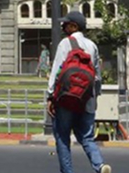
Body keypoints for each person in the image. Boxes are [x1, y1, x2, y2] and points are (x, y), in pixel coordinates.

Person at [46, 11, 111, 173]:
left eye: (66, 24)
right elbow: (96, 77)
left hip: (66, 99)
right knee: (87, 137)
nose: (63, 26)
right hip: (86, 100)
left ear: (74, 26)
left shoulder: (65, 44)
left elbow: (56, 72)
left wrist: (50, 96)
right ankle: (99, 165)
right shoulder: (92, 46)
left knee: (62, 138)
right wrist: (94, 98)